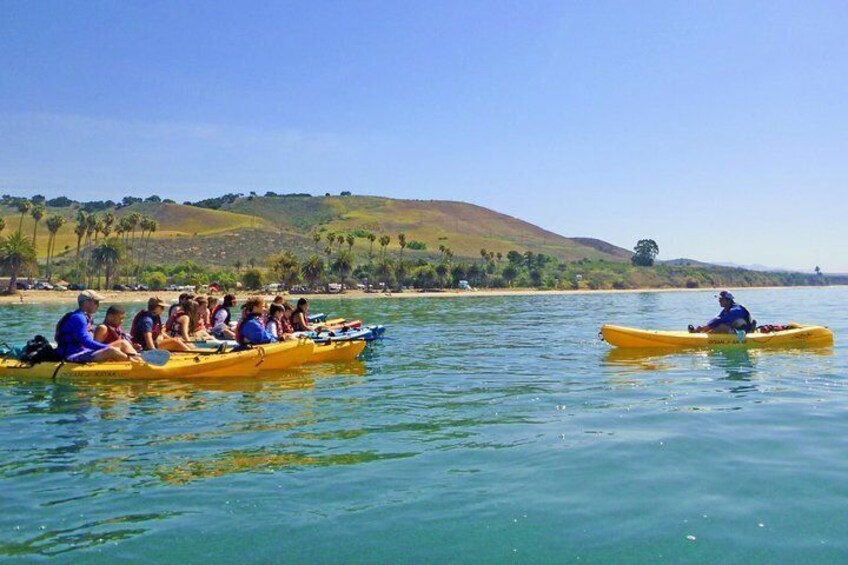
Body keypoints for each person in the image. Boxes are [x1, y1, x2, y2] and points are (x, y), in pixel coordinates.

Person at [54, 291, 139, 363]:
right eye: (96, 302)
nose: (98, 305)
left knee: (122, 342)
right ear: (86, 302)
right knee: (112, 351)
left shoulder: (85, 317)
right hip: (73, 354)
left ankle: (140, 362)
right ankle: (137, 366)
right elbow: (86, 342)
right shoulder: (79, 318)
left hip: (85, 351)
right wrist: (107, 347)